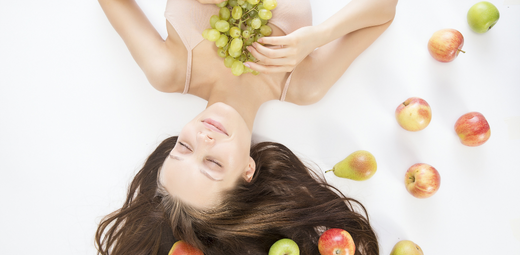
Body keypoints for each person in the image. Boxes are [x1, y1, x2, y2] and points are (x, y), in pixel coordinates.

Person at [96, 0, 397, 254]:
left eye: (184, 147)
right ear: (247, 170)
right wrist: (316, 37)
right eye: (212, 163)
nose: (205, 138)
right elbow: (385, 9)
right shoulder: (304, 84)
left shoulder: (169, 70)